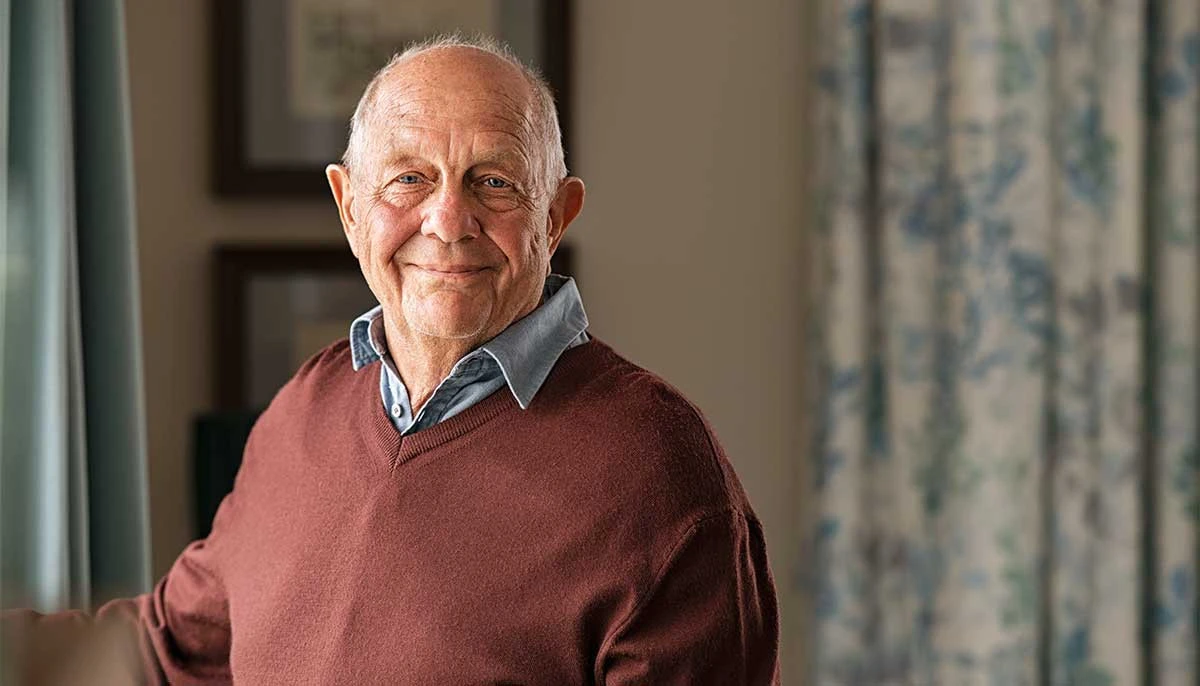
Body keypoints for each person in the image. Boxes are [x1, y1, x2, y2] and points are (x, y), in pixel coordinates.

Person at [6, 35, 780, 685]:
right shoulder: (307, 407)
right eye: (409, 179)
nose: (447, 221)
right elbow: (167, 650)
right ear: (348, 206)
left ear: (556, 212)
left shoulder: (662, 473)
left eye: (495, 182)